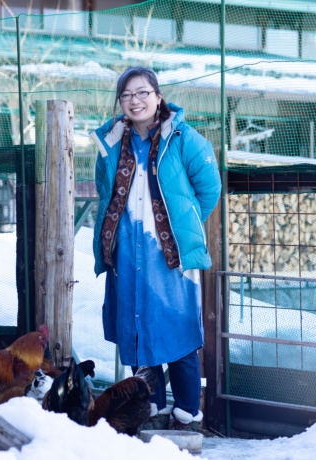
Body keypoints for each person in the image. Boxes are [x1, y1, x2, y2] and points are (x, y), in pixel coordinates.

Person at [89, 66, 221, 432]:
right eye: (127, 95)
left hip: (170, 257)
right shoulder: (112, 141)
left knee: (177, 334)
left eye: (143, 92)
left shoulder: (184, 138)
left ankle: (186, 415)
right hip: (127, 253)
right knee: (134, 332)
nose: (136, 101)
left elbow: (209, 189)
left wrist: (181, 225)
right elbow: (105, 190)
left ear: (158, 96)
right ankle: (152, 409)